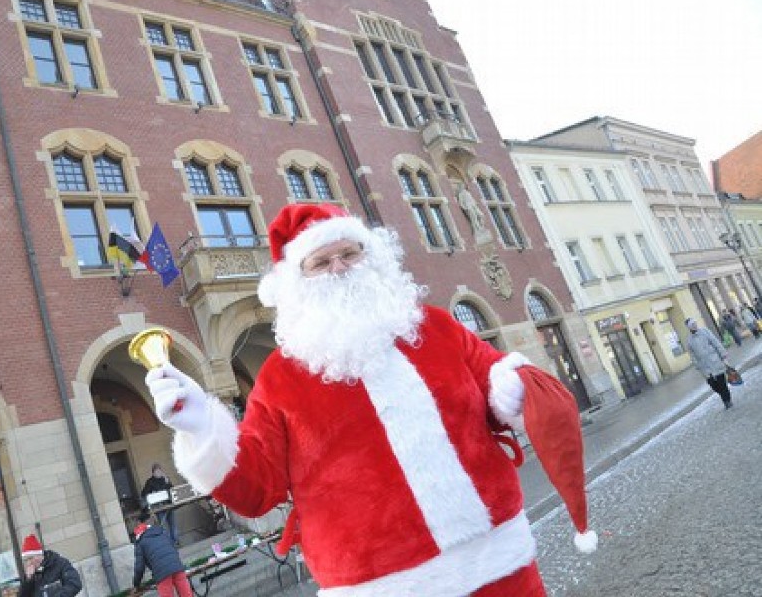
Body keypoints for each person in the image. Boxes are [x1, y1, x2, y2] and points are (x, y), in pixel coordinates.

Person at [144, 203, 596, 596]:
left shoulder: (435, 326)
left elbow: (493, 374)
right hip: (380, 582)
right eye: (320, 262)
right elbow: (256, 489)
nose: (340, 268)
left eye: (349, 253)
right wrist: (202, 427)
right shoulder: (281, 377)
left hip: (499, 558)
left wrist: (509, 387)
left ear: (372, 257)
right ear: (296, 282)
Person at [132, 510, 193, 597]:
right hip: (177, 567)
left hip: (161, 573)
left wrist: (136, 584)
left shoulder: (140, 541)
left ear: (139, 523)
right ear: (150, 520)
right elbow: (173, 549)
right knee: (187, 595)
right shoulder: (162, 532)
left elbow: (139, 567)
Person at [685, 318, 733, 410]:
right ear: (689, 327)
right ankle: (725, 395)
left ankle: (727, 401)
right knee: (713, 385)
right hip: (705, 367)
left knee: (722, 383)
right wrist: (697, 365)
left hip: (715, 361)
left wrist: (723, 355)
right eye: (692, 325)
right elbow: (692, 354)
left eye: (695, 323)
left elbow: (716, 342)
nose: (694, 325)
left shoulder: (705, 331)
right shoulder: (689, 340)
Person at [18, 533, 82, 597]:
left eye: (31, 558)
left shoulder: (59, 563)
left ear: (39, 555)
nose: (29, 563)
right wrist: (28, 580)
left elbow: (75, 584)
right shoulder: (30, 576)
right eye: (26, 560)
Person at [141, 463, 178, 546]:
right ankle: (167, 543)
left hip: (169, 504)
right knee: (163, 525)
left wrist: (168, 482)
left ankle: (175, 542)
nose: (159, 473)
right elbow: (144, 493)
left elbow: (172, 490)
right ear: (153, 473)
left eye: (160, 471)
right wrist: (152, 493)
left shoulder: (165, 479)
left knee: (173, 524)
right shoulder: (150, 482)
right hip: (159, 507)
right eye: (157, 471)